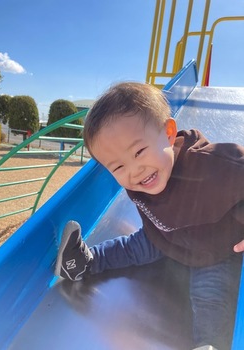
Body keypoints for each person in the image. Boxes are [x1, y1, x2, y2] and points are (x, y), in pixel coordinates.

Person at [55, 82, 244, 349]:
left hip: (213, 249)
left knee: (209, 296)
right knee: (132, 246)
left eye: (139, 151)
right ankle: (82, 262)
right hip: (164, 236)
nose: (135, 171)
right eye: (118, 166)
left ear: (168, 133)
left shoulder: (211, 165)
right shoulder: (141, 176)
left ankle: (209, 343)